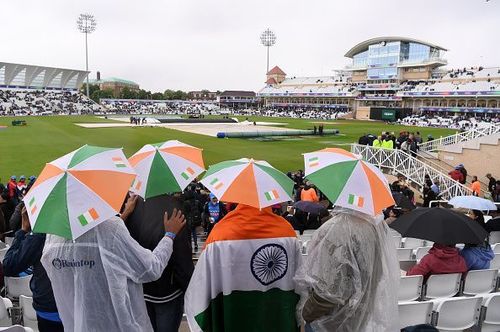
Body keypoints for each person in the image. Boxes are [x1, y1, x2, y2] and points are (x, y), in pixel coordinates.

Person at [41, 196, 186, 332]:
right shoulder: (111, 228)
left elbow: (98, 244)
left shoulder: (52, 237)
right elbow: (151, 269)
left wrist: (124, 214)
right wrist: (169, 236)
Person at [185, 204, 302, 332]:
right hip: (277, 318)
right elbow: (300, 283)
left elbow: (201, 288)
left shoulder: (220, 233)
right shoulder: (287, 232)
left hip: (232, 316)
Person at [295, 208, 399, 331]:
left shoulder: (338, 229)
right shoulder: (375, 226)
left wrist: (305, 313)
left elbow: (328, 293)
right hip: (358, 318)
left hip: (331, 321)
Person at [126, 194, 194, 332]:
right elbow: (182, 257)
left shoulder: (132, 207)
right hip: (168, 290)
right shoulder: (174, 208)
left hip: (141, 289)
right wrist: (190, 288)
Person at [3, 206, 63, 332]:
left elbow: (9, 265)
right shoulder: (94, 230)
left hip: (50, 308)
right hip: (81, 307)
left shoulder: (41, 233)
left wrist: (23, 230)